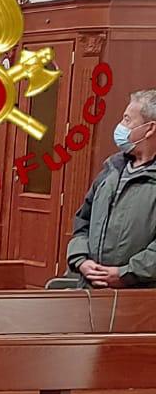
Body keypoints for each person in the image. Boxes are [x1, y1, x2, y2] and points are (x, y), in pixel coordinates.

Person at [68, 89, 156, 288]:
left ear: (149, 129)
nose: (120, 126)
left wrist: (126, 273)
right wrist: (80, 260)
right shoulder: (112, 169)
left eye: (127, 120)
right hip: (90, 290)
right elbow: (82, 221)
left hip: (139, 299)